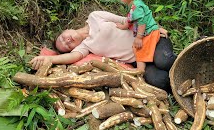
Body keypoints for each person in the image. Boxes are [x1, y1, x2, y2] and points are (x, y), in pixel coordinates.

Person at [29, 12, 176, 91]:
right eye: (66, 46)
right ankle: (188, 86)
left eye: (63, 38)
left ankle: (190, 66)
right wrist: (49, 60)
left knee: (164, 61)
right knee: (160, 81)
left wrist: (154, 27)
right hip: (141, 60)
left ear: (66, 29)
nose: (66, 41)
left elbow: (127, 19)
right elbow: (71, 57)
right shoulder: (85, 47)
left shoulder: (95, 17)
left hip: (149, 40)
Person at [114, 0, 159, 72]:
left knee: (139, 48)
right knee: (136, 47)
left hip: (148, 32)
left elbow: (142, 23)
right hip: (147, 30)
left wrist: (139, 37)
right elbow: (130, 19)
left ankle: (140, 69)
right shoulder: (133, 4)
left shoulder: (137, 6)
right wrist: (124, 26)